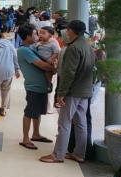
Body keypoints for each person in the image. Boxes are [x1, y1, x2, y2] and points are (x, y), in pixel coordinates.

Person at [40, 20, 94, 164]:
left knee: (64, 122)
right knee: (80, 122)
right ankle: (79, 153)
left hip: (73, 91)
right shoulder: (87, 46)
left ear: (70, 31)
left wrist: (61, 92)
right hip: (85, 90)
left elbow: (69, 72)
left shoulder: (73, 48)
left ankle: (58, 154)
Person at [16, 25, 57, 150]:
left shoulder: (32, 48)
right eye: (35, 34)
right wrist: (55, 69)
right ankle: (25, 138)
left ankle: (36, 134)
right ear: (28, 37)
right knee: (30, 112)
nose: (37, 36)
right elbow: (41, 65)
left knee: (38, 111)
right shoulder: (24, 50)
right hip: (34, 86)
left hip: (41, 86)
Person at [35, 26, 61, 94]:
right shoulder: (38, 44)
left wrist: (51, 58)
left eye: (43, 33)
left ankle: (49, 85)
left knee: (48, 75)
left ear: (50, 36)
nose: (40, 34)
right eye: (40, 33)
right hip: (40, 61)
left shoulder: (52, 45)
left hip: (49, 63)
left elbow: (56, 52)